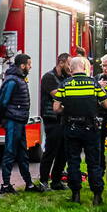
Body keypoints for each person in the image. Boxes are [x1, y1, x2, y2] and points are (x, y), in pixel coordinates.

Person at [52, 56, 107, 205]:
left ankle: (75, 194)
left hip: (71, 127)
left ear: (70, 68)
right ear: (85, 67)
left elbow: (56, 108)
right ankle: (97, 195)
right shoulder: (94, 83)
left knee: (73, 161)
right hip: (91, 128)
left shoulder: (65, 84)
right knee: (94, 162)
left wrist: (67, 109)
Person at [0, 54, 46, 195]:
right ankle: (5, 185)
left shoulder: (18, 79)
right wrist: (1, 120)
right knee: (10, 153)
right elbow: (2, 102)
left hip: (18, 121)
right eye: (29, 64)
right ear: (22, 65)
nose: (30, 66)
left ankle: (28, 184)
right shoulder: (13, 81)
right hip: (13, 121)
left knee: (23, 154)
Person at [39, 53, 70, 190]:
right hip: (52, 119)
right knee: (50, 151)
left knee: (63, 151)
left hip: (64, 119)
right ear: (61, 63)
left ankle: (56, 181)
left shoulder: (67, 78)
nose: (70, 67)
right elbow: (57, 94)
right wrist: (73, 91)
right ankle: (43, 181)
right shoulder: (48, 77)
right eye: (69, 64)